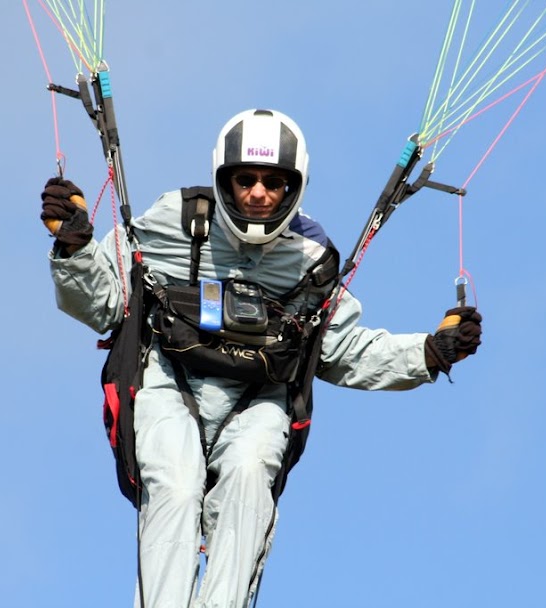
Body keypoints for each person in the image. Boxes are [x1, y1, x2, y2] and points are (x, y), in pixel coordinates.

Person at [40, 109, 482, 608]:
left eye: (273, 183)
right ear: (223, 179)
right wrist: (74, 246)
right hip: (169, 382)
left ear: (294, 188)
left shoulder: (311, 260)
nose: (257, 194)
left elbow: (340, 349)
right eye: (245, 179)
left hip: (258, 398)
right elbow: (105, 303)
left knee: (250, 475)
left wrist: (429, 353)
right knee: (176, 486)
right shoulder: (173, 221)